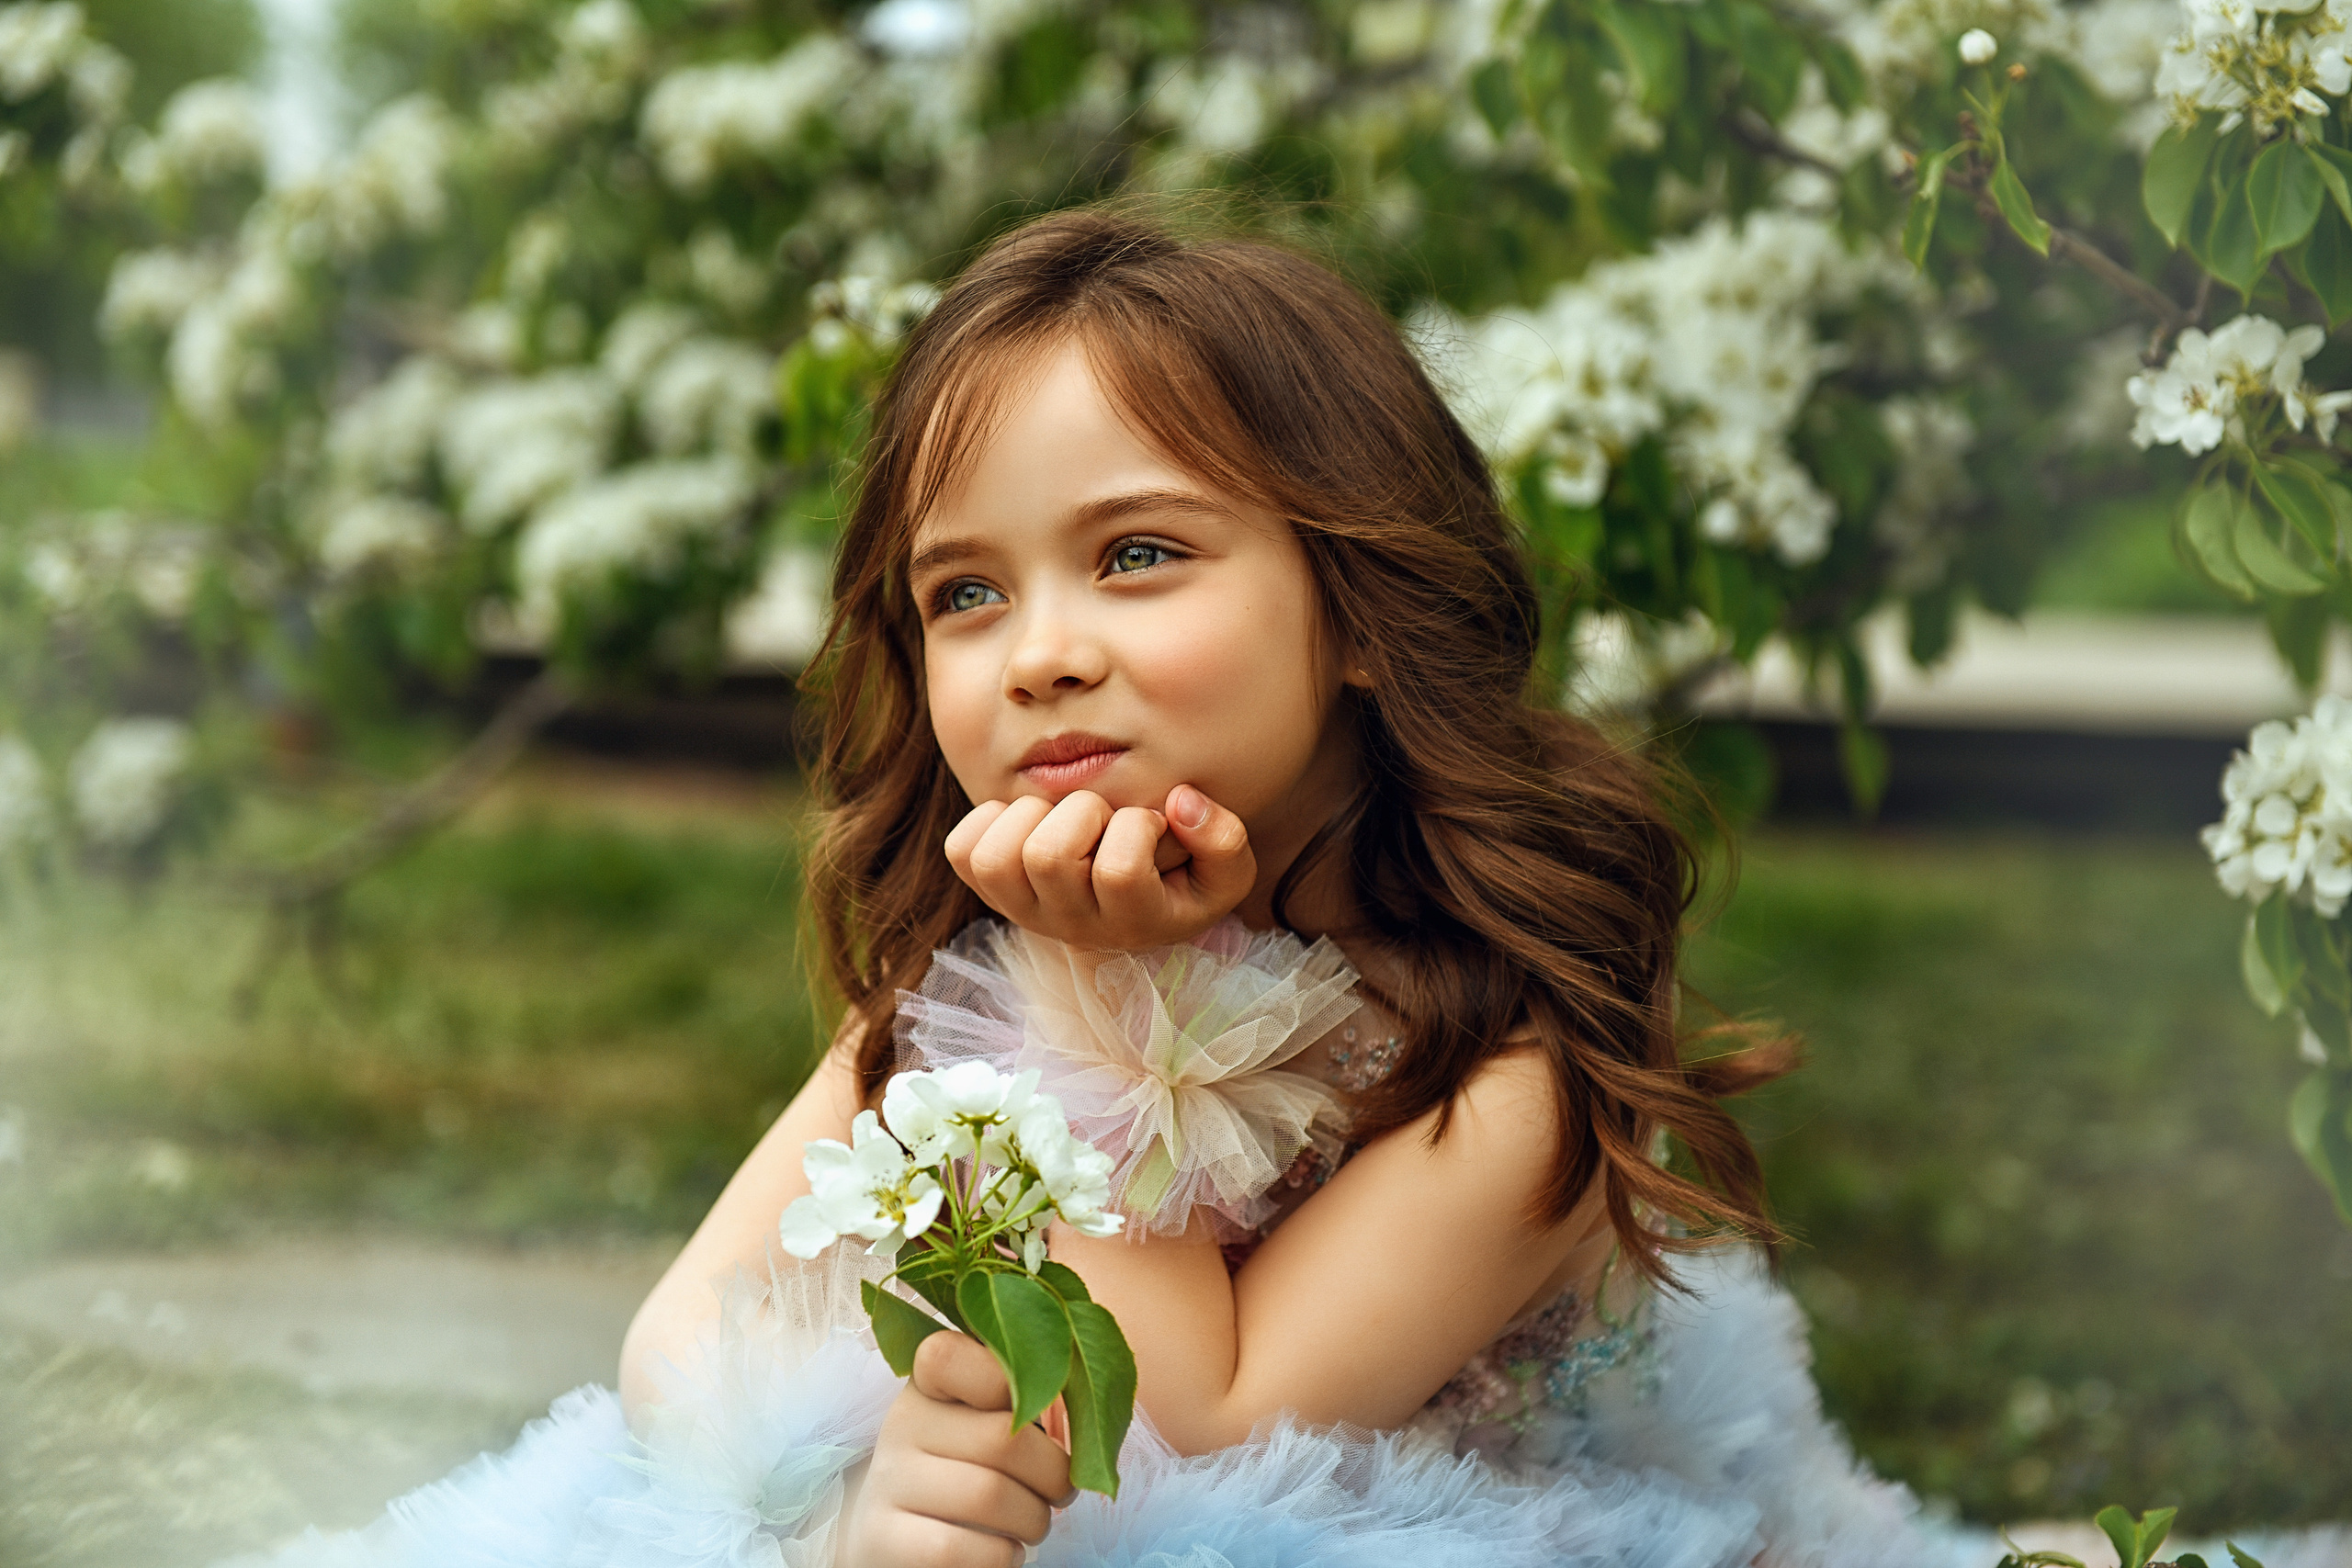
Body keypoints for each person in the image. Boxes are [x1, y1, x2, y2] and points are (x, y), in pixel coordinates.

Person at [235, 209, 1980, 1568]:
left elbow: (1193, 1452)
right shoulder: (965, 983)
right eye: (966, 595)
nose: (1043, 655)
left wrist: (1113, 991)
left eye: (1138, 555)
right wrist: (849, 1514)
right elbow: (683, 1337)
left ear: (1361, 607)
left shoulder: (1514, 1066)